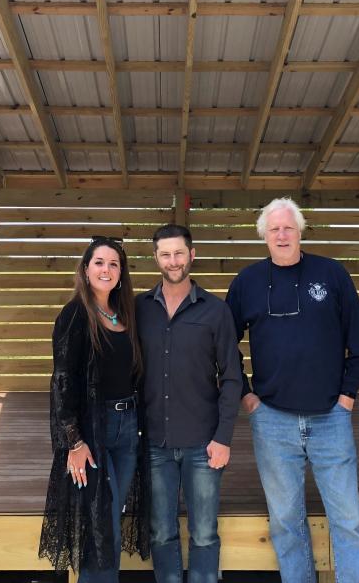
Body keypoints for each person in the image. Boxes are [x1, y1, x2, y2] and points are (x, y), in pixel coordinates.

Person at [226, 197, 359, 583]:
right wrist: (246, 395)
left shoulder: (331, 274)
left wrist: (347, 395)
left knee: (348, 519)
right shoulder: (247, 283)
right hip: (272, 419)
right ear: (264, 236)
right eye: (274, 229)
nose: (282, 234)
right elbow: (223, 345)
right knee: (286, 522)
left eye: (288, 227)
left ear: (300, 231)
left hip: (330, 417)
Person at [39, 237, 150, 582]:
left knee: (109, 517)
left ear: (121, 273)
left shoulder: (125, 312)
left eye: (113, 264)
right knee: (101, 526)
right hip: (93, 432)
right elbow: (62, 382)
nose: (106, 269)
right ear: (86, 270)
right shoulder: (75, 315)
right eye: (99, 262)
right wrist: (74, 441)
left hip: (128, 428)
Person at [136, 224, 242, 583]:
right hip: (154, 443)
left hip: (203, 443)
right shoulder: (139, 310)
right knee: (161, 534)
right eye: (165, 254)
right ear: (156, 259)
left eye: (179, 253)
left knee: (204, 535)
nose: (173, 261)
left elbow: (232, 377)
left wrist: (224, 437)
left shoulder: (216, 311)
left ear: (192, 255)